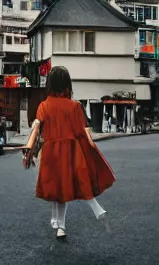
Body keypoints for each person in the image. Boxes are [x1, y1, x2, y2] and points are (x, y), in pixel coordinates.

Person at [23, 66, 115, 240]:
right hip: (72, 150)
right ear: (67, 85)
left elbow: (37, 129)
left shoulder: (44, 106)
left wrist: (29, 151)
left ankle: (60, 227)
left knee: (57, 189)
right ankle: (95, 211)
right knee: (78, 184)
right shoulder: (75, 106)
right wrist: (89, 150)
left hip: (51, 151)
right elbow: (81, 132)